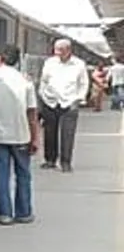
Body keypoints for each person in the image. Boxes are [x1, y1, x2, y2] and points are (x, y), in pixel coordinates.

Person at [0, 44, 40, 225]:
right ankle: (24, 213)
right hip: (21, 135)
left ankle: (5, 214)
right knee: (23, 175)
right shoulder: (26, 81)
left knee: (1, 176)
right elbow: (32, 113)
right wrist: (35, 138)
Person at [38, 39, 88, 171]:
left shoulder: (79, 64)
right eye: (55, 50)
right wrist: (43, 95)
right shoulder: (49, 63)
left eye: (60, 50)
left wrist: (78, 100)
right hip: (50, 101)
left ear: (68, 50)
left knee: (68, 134)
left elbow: (83, 84)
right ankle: (50, 159)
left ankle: (66, 162)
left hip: (69, 102)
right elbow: (43, 81)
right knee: (49, 132)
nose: (56, 53)